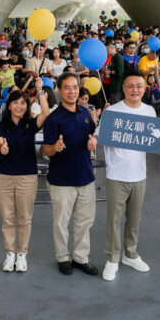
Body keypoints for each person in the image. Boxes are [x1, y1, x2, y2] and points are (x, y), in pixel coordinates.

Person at [101, 74, 160, 281]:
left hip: (139, 175)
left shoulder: (149, 110)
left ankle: (130, 254)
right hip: (116, 174)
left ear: (145, 89)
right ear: (123, 88)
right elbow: (100, 136)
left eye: (139, 86)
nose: (135, 90)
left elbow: (153, 138)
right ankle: (112, 259)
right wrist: (93, 139)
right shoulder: (112, 111)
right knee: (114, 219)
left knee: (134, 218)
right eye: (131, 86)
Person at [42, 72, 99, 276]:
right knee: (61, 222)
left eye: (75, 87)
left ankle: (80, 257)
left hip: (85, 176)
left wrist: (94, 143)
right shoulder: (53, 119)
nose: (72, 91)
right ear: (59, 90)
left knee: (84, 221)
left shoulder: (85, 113)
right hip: (61, 179)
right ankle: (63, 257)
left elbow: (93, 137)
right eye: (67, 87)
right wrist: (55, 148)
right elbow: (45, 150)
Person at [0, 89, 50, 272]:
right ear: (9, 105)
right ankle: (10, 253)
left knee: (25, 218)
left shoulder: (31, 124)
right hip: (4, 176)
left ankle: (22, 254)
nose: (19, 106)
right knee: (8, 218)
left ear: (27, 106)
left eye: (23, 103)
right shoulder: (0, 125)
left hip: (27, 176)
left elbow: (46, 113)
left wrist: (41, 93)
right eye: (15, 103)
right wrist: (2, 147)